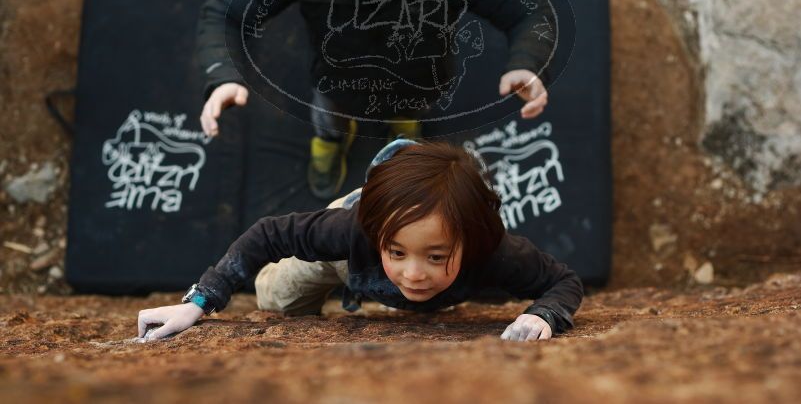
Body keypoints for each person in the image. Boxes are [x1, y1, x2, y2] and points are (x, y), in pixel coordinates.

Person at [197, 0, 556, 199]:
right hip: (337, 78)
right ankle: (331, 143)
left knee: (408, 117)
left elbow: (530, 9)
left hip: (417, 78)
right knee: (328, 121)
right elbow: (223, 11)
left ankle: (402, 134)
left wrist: (526, 62)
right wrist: (223, 75)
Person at [136, 140, 583, 342]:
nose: (414, 273)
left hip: (378, 249)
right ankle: (348, 280)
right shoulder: (347, 231)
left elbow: (563, 282)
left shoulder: (495, 251)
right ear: (379, 238)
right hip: (349, 257)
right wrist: (197, 302)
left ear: (470, 243)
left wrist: (544, 315)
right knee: (276, 299)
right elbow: (267, 234)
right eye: (399, 253)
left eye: (435, 256)